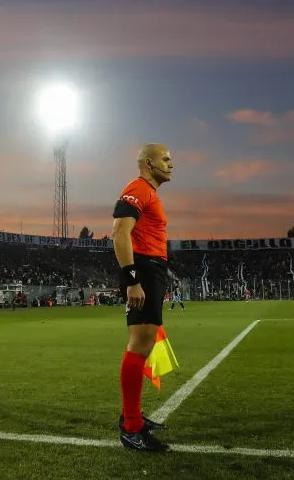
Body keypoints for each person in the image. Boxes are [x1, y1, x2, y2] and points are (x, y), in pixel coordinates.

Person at [113, 143, 174, 452]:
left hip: (153, 268)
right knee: (139, 344)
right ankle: (131, 427)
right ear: (149, 163)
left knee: (145, 342)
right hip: (144, 269)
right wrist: (133, 281)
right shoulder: (138, 188)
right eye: (165, 159)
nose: (171, 164)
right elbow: (119, 233)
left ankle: (132, 416)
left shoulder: (151, 193)